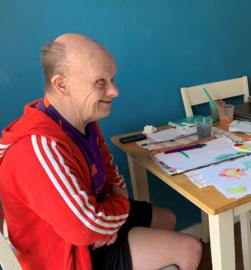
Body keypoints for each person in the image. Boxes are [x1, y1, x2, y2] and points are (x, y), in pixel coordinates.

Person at [0, 33, 202, 270]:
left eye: (112, 79)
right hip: (67, 255)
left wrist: (112, 211)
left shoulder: (83, 120)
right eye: (100, 82)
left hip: (96, 215)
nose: (114, 90)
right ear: (61, 84)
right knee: (191, 248)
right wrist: (116, 208)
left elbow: (110, 172)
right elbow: (85, 229)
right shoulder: (38, 147)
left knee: (167, 218)